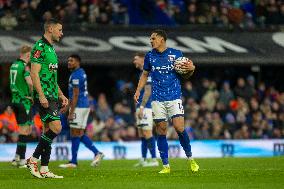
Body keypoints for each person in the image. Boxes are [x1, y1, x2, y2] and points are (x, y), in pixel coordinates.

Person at [134, 29, 199, 174]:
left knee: (179, 128)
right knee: (161, 130)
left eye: (153, 38)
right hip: (157, 99)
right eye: (150, 39)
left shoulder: (176, 54)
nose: (151, 41)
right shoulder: (149, 56)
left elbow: (187, 75)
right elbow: (144, 75)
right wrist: (138, 90)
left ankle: (190, 159)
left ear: (162, 39)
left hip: (174, 97)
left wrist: (192, 69)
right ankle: (166, 166)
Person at [26, 18, 68, 179]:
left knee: (47, 131)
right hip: (45, 96)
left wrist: (61, 94)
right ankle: (33, 160)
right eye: (60, 30)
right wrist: (41, 95)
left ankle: (44, 168)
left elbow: (52, 77)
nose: (62, 33)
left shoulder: (51, 49)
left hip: (52, 94)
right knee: (57, 128)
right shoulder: (40, 47)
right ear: (50, 29)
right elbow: (34, 73)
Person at [59, 54, 104, 168]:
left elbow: (75, 94)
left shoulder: (75, 75)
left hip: (79, 107)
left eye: (72, 61)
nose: (69, 62)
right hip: (84, 106)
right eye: (68, 60)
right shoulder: (81, 72)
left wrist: (71, 111)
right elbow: (74, 95)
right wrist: (67, 106)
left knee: (74, 132)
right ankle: (96, 153)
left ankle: (74, 162)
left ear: (78, 62)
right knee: (79, 133)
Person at [132, 52, 158, 167]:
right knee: (142, 134)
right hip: (140, 107)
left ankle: (154, 160)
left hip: (146, 107)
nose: (134, 61)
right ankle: (143, 159)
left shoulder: (148, 72)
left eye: (136, 59)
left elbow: (148, 91)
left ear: (143, 60)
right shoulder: (141, 73)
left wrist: (142, 107)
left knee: (147, 132)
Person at [9, 45, 33, 168]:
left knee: (22, 129)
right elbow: (29, 83)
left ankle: (16, 157)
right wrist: (31, 94)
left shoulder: (13, 65)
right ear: (28, 55)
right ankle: (23, 160)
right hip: (24, 101)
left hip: (14, 101)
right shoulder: (24, 67)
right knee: (26, 130)